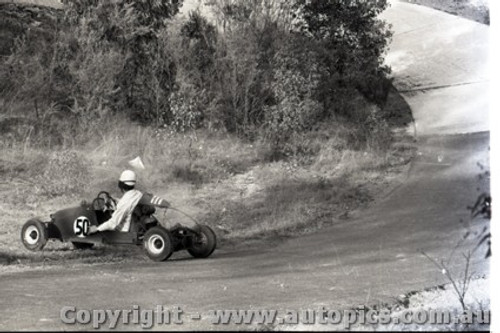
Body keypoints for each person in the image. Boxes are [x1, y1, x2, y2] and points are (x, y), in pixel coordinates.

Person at [88, 170, 199, 234]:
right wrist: (113, 200)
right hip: (142, 224)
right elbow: (127, 202)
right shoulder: (138, 194)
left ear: (120, 185)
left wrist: (96, 229)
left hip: (128, 231)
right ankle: (182, 230)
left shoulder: (124, 202)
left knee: (106, 219)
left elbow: (113, 224)